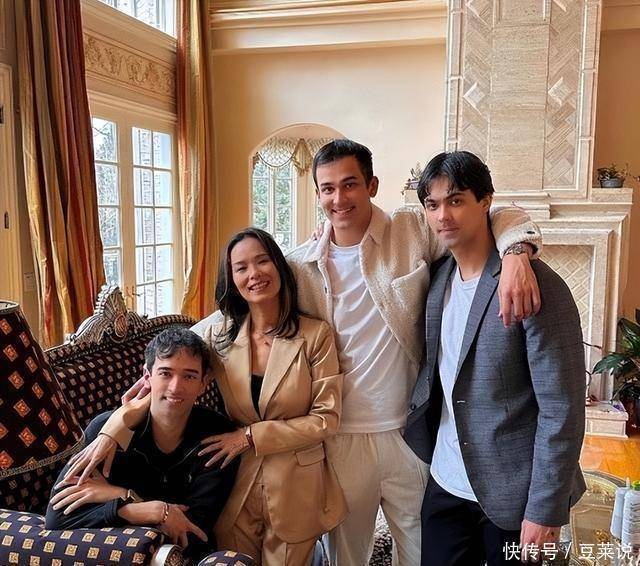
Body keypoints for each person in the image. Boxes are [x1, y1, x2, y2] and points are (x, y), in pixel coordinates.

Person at [65, 139, 542, 565]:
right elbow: (215, 327)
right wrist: (143, 392)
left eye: (350, 184)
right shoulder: (297, 265)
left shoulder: (412, 229)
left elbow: (497, 214)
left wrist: (516, 254)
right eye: (328, 188)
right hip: (340, 439)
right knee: (347, 554)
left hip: (408, 432)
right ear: (317, 194)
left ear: (372, 185)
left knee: (419, 550)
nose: (340, 198)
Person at [64, 228, 346, 566]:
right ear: (232, 280)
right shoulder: (217, 334)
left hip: (296, 484)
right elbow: (169, 382)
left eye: (262, 261)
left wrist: (249, 436)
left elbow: (326, 419)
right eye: (241, 267)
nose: (254, 274)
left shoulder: (315, 336)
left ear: (279, 266)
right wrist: (112, 429)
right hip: (234, 483)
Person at [404, 151, 586, 565]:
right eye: (432, 204)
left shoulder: (536, 286)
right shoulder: (438, 279)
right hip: (446, 482)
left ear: (486, 201)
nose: (442, 216)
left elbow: (562, 409)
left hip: (515, 494)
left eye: (456, 200)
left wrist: (545, 509)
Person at [45, 328, 239, 561]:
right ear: (147, 376)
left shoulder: (218, 436)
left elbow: (193, 533)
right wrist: (149, 510)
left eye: (189, 376)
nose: (175, 387)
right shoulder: (105, 430)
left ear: (203, 383)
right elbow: (57, 517)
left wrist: (119, 496)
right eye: (165, 373)